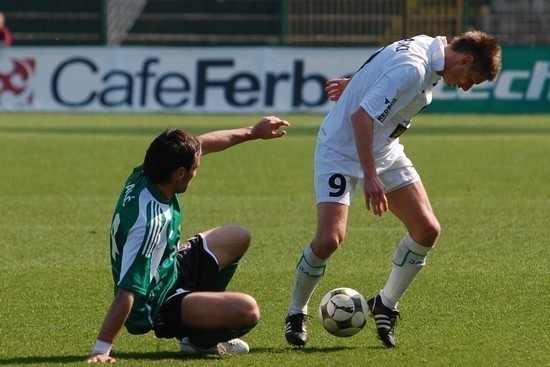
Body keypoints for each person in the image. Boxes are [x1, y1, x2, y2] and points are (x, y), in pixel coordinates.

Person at [284, 31, 501, 348]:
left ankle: (385, 303)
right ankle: (295, 312)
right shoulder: (413, 68)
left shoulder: (431, 48)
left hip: (385, 149)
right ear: (465, 59)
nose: (467, 87)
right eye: (472, 78)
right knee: (329, 240)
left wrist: (356, 86)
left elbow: (381, 64)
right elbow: (361, 117)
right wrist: (370, 176)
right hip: (341, 149)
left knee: (427, 229)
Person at [86, 116, 290, 363]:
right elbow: (128, 290)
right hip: (158, 301)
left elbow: (203, 143)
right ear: (180, 173)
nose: (196, 172)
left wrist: (253, 132)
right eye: (195, 168)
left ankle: (201, 321)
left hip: (169, 268)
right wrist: (101, 349)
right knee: (248, 310)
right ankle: (199, 340)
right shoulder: (151, 222)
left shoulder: (147, 173)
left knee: (237, 236)